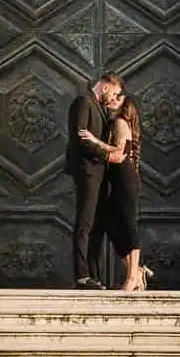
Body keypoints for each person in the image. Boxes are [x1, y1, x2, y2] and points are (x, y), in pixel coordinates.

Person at [80, 88, 150, 293]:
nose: (113, 99)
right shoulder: (114, 123)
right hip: (119, 182)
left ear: (124, 106)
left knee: (129, 224)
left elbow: (120, 154)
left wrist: (94, 141)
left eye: (118, 99)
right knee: (110, 223)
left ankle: (131, 278)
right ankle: (137, 270)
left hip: (126, 180)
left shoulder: (120, 122)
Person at [67, 75, 120, 288]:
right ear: (105, 87)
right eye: (114, 93)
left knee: (97, 225)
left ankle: (93, 275)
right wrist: (107, 155)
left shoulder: (101, 107)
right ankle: (82, 276)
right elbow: (80, 139)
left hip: (99, 172)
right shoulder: (83, 102)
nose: (114, 97)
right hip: (87, 171)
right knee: (85, 223)